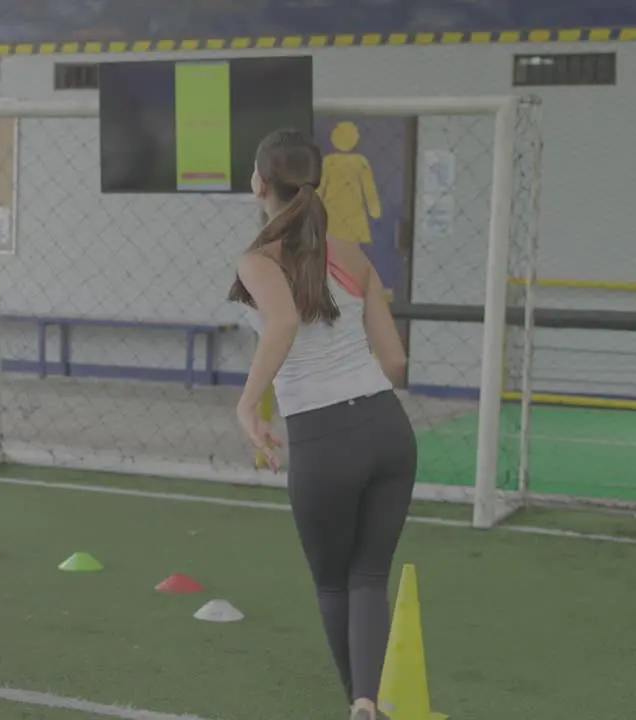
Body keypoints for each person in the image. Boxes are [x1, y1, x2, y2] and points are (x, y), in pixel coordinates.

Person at [228, 129, 416, 720]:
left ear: (259, 184)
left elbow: (281, 324)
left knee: (334, 582)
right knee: (368, 577)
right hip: (388, 431)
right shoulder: (352, 253)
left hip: (323, 438)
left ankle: (359, 703)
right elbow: (395, 362)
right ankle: (368, 702)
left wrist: (247, 405)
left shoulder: (258, 260)